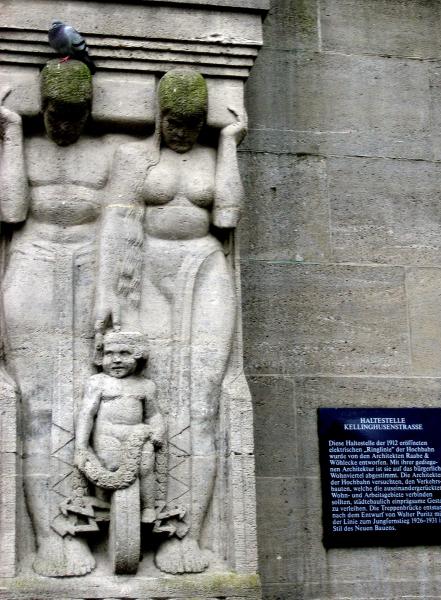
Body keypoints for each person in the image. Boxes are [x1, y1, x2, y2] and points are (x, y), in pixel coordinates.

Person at [95, 68, 247, 574]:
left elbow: (226, 217)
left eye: (193, 124)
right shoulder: (134, 157)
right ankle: (140, 518)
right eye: (175, 122)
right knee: (151, 396)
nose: (183, 132)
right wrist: (109, 296)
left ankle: (186, 531)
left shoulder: (210, 156)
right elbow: (118, 221)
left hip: (204, 269)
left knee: (202, 403)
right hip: (149, 274)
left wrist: (229, 143)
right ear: (159, 117)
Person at [0, 60, 118, 576]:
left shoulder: (107, 153)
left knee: (85, 401)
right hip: (32, 263)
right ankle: (48, 533)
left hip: (89, 271)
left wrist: (111, 292)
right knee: (37, 404)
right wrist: (10, 133)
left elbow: (120, 226)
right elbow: (11, 211)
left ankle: (83, 522)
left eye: (74, 116)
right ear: (43, 109)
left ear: (88, 113)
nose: (63, 125)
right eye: (54, 115)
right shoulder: (26, 146)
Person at [75, 329, 164, 523]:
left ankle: (148, 506)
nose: (116, 360)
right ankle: (104, 504)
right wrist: (81, 446)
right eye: (109, 354)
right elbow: (87, 413)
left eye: (124, 353)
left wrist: (158, 431)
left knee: (146, 466)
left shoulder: (145, 385)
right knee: (110, 463)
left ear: (138, 355)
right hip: (106, 436)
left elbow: (153, 414)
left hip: (137, 436)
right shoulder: (98, 382)